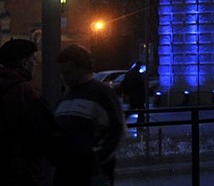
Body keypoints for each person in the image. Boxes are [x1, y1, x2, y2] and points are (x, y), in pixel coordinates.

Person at [54, 44, 125, 186]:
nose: (64, 78)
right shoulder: (67, 97)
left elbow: (117, 131)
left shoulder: (102, 94)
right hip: (69, 171)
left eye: (68, 72)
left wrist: (94, 159)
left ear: (81, 68)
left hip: (89, 173)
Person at [0, 39, 61, 185]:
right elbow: (45, 134)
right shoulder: (24, 92)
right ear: (23, 63)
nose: (36, 62)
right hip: (23, 174)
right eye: (33, 58)